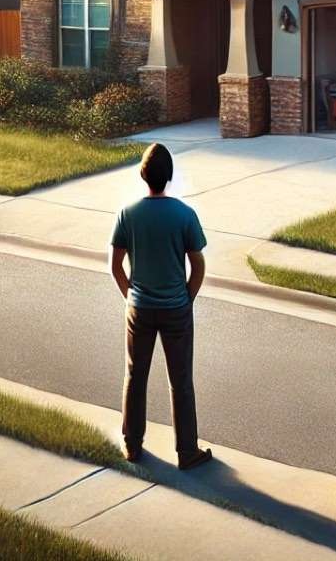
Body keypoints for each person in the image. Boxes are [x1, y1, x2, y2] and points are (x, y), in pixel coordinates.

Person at [110, 142, 212, 469]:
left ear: (144, 175)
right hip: (176, 309)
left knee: (134, 374)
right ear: (168, 176)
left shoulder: (128, 214)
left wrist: (131, 295)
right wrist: (187, 297)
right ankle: (186, 451)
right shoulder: (184, 215)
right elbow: (198, 265)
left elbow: (116, 265)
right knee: (180, 380)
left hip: (139, 308)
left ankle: (132, 444)